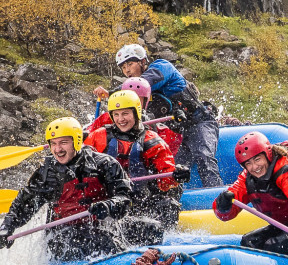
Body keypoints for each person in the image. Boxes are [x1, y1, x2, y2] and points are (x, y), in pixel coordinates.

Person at [0, 117, 133, 261]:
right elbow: (24, 205)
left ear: (77, 141)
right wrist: (7, 228)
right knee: (77, 244)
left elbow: (124, 198)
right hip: (63, 235)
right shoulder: (46, 174)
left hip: (102, 228)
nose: (57, 149)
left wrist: (109, 205)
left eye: (63, 143)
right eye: (53, 144)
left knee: (112, 238)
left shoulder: (104, 164)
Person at [107, 43, 223, 187]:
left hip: (200, 122)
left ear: (143, 62)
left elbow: (145, 82)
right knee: (171, 169)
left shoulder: (162, 67)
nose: (127, 70)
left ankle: (218, 196)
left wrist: (110, 93)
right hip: (178, 133)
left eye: (130, 64)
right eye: (123, 67)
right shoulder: (139, 96)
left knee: (203, 156)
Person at [85, 90, 191, 244]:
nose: (121, 119)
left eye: (125, 114)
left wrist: (176, 176)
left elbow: (165, 178)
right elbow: (80, 162)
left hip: (140, 201)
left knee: (167, 207)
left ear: (136, 113)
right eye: (116, 114)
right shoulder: (99, 136)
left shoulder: (151, 140)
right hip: (106, 202)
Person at [87, 77, 182, 156]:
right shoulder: (106, 118)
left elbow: (169, 149)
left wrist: (176, 128)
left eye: (137, 99)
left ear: (146, 101)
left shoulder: (151, 123)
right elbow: (88, 138)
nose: (132, 101)